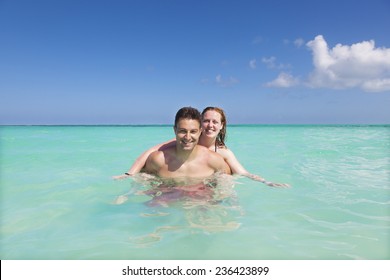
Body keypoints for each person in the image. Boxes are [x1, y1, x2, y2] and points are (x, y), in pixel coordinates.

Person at [114, 106, 289, 188]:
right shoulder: (185, 138)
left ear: (222, 126)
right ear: (200, 126)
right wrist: (130, 174)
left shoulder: (221, 153)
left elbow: (242, 173)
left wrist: (266, 182)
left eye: (215, 122)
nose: (210, 125)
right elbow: (150, 152)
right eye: (206, 121)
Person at [143, 107, 230, 179]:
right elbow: (144, 181)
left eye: (193, 131)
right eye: (183, 131)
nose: (188, 137)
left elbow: (227, 182)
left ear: (200, 132)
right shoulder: (157, 160)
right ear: (175, 130)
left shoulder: (213, 160)